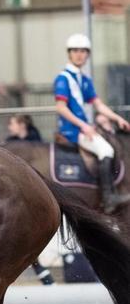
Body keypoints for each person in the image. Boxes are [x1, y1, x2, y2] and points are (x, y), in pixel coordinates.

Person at [53, 33, 130, 213]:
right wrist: (84, 126)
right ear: (69, 54)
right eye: (75, 51)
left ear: (87, 54)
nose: (79, 54)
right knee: (106, 150)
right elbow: (61, 108)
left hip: (82, 128)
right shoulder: (63, 78)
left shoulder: (84, 79)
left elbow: (98, 104)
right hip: (71, 130)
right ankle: (108, 198)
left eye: (83, 51)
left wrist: (117, 118)